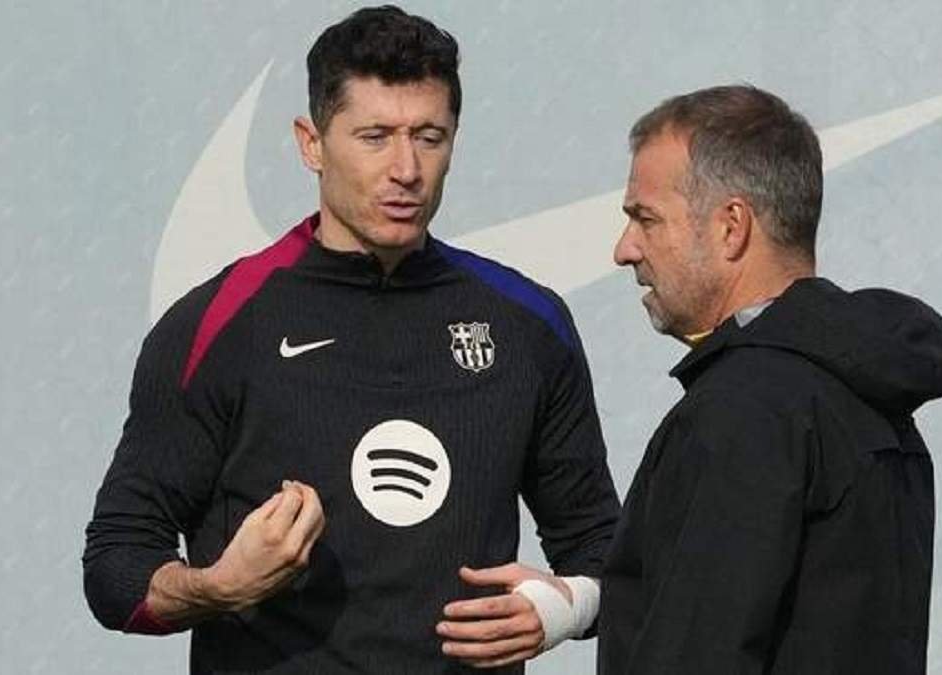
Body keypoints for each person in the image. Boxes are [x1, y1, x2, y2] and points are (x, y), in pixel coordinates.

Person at [83, 6, 619, 673]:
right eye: (374, 137)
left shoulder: (528, 323)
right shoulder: (216, 325)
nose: (406, 168)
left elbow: (604, 549)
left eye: (429, 136)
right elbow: (116, 566)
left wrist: (565, 608)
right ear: (311, 143)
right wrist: (218, 586)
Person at [597, 85, 942, 674]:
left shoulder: (746, 411)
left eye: (646, 218)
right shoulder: (861, 390)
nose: (624, 249)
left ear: (731, 227)